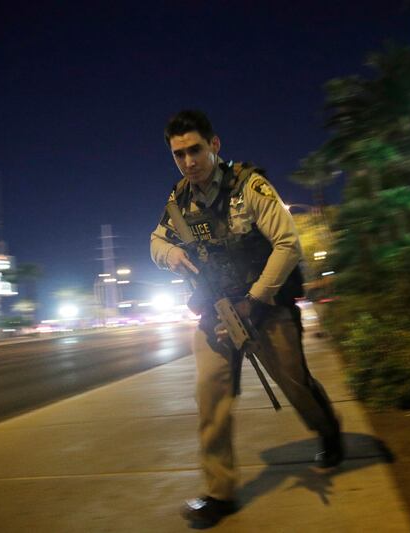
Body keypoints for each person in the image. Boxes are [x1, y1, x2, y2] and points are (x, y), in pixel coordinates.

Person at [150, 109, 342, 527]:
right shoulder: (178, 201)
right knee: (210, 395)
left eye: (195, 150)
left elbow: (288, 244)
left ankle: (329, 432)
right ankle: (220, 493)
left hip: (266, 306)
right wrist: (171, 254)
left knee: (295, 383)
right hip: (215, 311)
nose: (188, 161)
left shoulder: (248, 186)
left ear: (214, 145)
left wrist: (255, 300)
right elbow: (155, 241)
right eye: (179, 154)